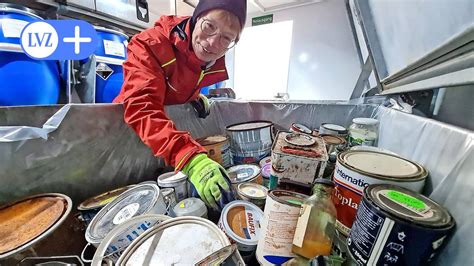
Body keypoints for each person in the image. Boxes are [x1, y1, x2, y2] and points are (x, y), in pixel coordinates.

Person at [113, 0, 247, 210]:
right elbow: (142, 107)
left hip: (165, 147)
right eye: (209, 26)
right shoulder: (150, 44)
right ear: (196, 18)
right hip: (128, 142)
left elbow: (179, 81)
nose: (213, 42)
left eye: (226, 38)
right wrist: (191, 158)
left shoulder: (208, 61)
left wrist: (194, 97)